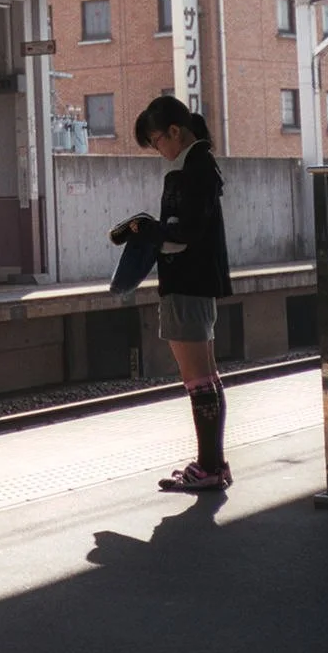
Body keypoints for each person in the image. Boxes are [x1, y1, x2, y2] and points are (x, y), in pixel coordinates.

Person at [129, 94, 234, 492]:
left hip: (187, 282)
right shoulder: (201, 165)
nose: (158, 152)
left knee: (197, 380)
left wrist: (147, 232)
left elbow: (183, 232)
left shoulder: (189, 170)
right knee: (206, 376)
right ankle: (214, 464)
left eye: (156, 142)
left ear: (174, 132)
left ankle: (208, 467)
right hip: (199, 281)